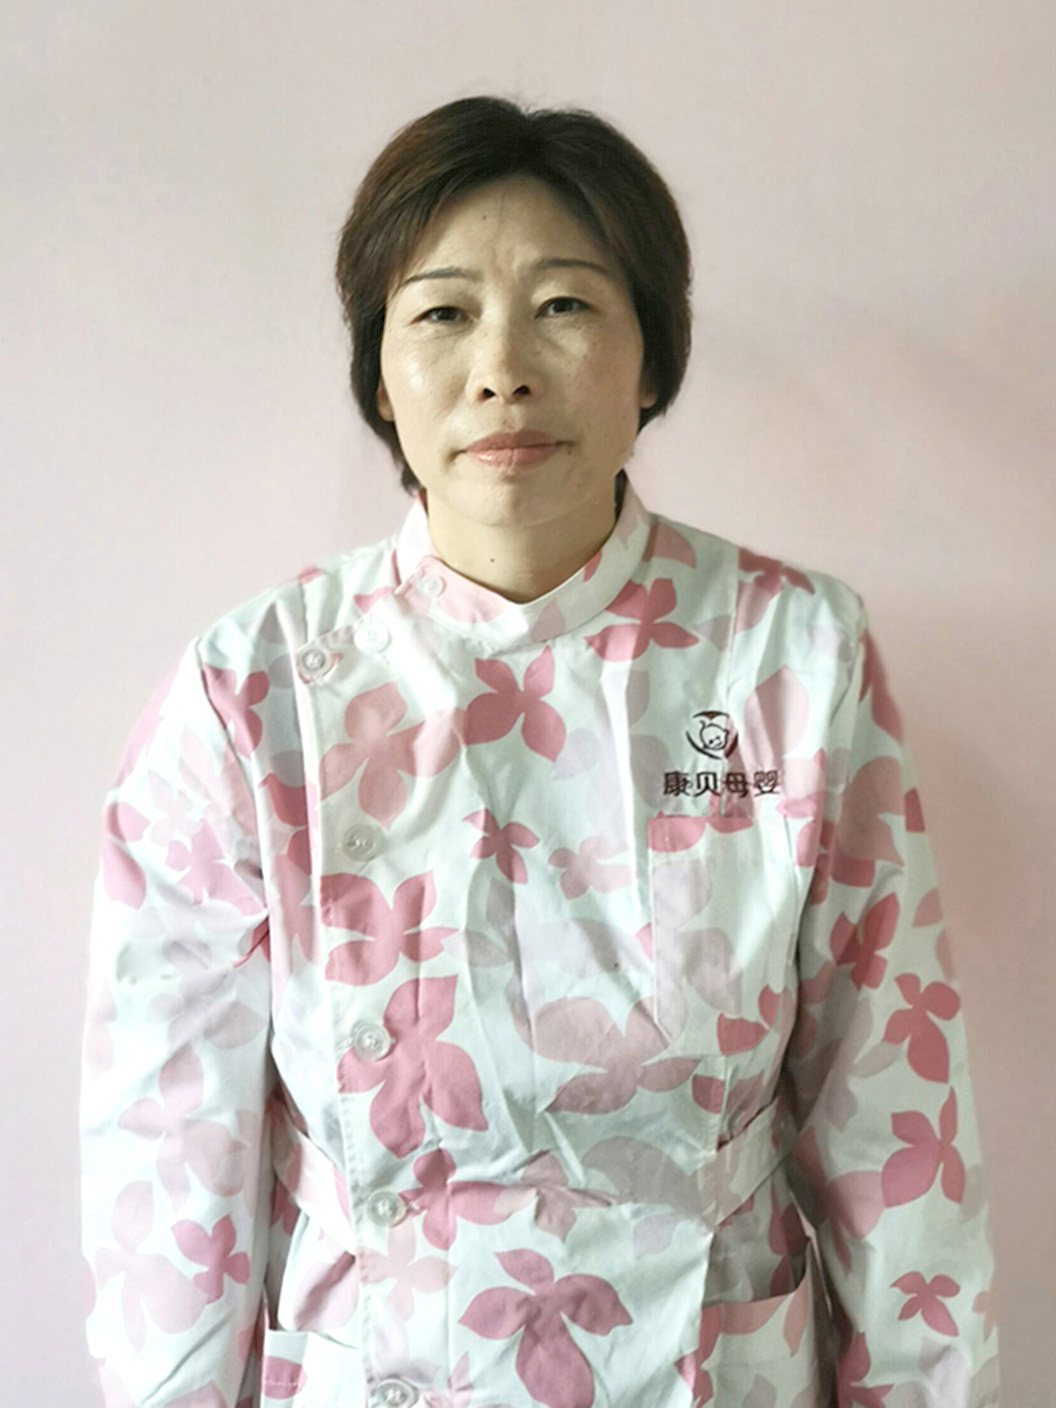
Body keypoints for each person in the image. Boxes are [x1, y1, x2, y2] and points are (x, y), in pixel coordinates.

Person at [80, 95, 1001, 1408]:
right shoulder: (252, 695)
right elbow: (167, 1166)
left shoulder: (791, 659)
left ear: (651, 359)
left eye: (564, 305)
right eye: (443, 314)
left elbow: (897, 1116)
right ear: (380, 374)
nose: (502, 368)